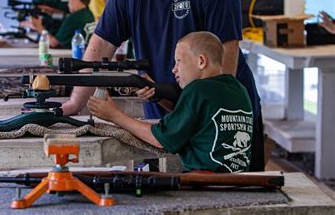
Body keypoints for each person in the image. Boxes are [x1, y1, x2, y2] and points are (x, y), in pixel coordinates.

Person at [62, 0, 265, 171]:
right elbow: (102, 42)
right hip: (165, 118)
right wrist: (76, 102)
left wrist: (206, 118)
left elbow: (226, 53)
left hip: (221, 122)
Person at [88, 32, 253, 173]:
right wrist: (157, 96)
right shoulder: (238, 88)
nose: (174, 69)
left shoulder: (197, 89)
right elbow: (195, 117)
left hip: (204, 181)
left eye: (179, 61)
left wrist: (114, 115)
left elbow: (161, 139)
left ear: (201, 61)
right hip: (237, 177)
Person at [30, 0, 94, 49]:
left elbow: (53, 43)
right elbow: (65, 16)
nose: (68, 3)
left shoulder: (73, 19)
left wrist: (39, 27)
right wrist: (51, 11)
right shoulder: (88, 14)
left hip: (69, 55)